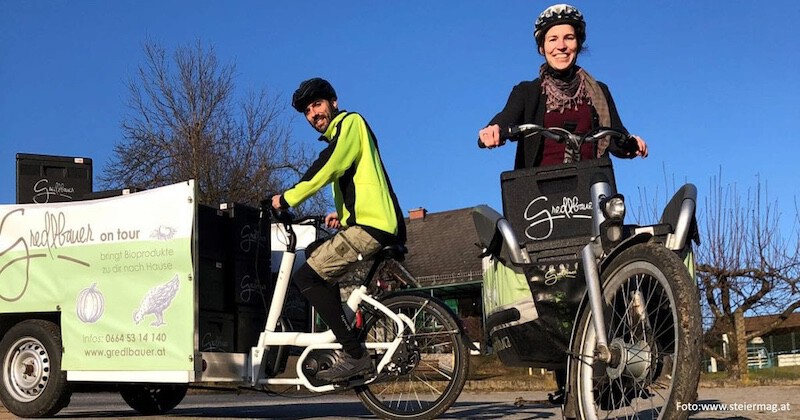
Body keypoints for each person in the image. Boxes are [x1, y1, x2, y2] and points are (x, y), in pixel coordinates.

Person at [271, 77, 406, 383]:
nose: (312, 114)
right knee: (314, 253)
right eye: (306, 111)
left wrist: (285, 198)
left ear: (333, 101)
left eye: (316, 104)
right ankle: (342, 327)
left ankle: (353, 353)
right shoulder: (340, 135)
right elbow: (356, 181)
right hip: (367, 223)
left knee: (306, 276)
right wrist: (343, 217)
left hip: (374, 226)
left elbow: (329, 165)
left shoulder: (350, 123)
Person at [478, 3, 648, 169]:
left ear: (578, 44)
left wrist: (632, 143)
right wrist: (493, 131)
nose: (561, 46)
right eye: (553, 39)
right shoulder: (527, 92)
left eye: (569, 38)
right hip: (537, 190)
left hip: (590, 184)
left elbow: (616, 138)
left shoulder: (599, 91)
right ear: (542, 48)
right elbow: (506, 117)